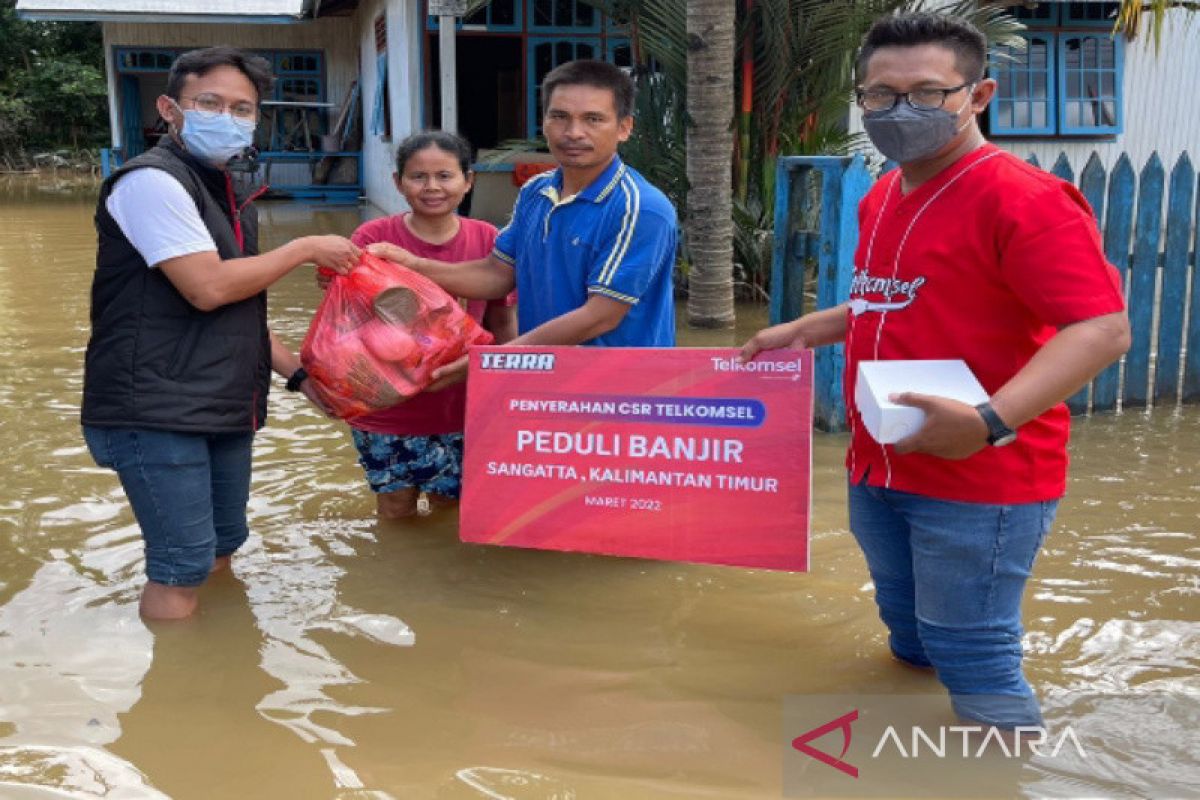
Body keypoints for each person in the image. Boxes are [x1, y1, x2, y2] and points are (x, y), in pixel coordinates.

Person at [741, 13, 1130, 729]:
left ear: (978, 95)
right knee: (909, 633)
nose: (900, 112)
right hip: (881, 465)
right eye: (881, 96)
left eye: (926, 94)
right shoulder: (884, 193)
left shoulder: (1026, 200)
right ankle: (912, 754)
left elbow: (1103, 329)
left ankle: (1001, 770)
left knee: (973, 650)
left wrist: (987, 423)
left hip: (985, 477)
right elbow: (881, 303)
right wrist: (803, 330)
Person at [81, 47, 360, 620]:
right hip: (156, 408)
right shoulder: (151, 184)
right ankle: (176, 695)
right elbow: (208, 287)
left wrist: (303, 378)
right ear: (170, 108)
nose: (226, 117)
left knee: (222, 546)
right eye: (209, 103)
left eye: (242, 108)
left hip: (221, 403)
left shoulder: (227, 192)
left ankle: (226, 670)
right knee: (180, 565)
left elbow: (241, 311)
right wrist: (306, 247)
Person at [367, 59, 676, 380]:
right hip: (545, 386)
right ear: (543, 121)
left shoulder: (639, 208)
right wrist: (411, 265)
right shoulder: (536, 191)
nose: (573, 132)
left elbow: (600, 317)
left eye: (593, 119)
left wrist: (495, 361)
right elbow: (497, 274)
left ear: (624, 128)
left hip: (620, 393)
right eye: (559, 117)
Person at [342, 131, 517, 519]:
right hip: (389, 406)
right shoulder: (374, 238)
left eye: (445, 175)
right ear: (398, 182)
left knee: (450, 508)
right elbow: (350, 325)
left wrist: (511, 391)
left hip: (462, 404)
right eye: (418, 177)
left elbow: (503, 322)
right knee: (395, 508)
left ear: (467, 181)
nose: (432, 187)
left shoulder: (489, 240)